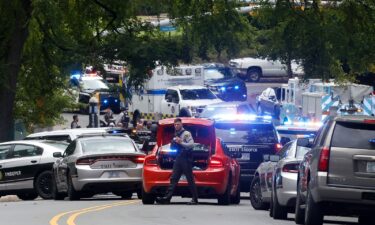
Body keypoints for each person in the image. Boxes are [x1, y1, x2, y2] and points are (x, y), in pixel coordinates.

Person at [156, 118, 198, 205]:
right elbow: (174, 147)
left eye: (178, 124)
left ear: (181, 124)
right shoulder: (175, 135)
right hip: (178, 158)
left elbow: (191, 145)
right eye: (175, 125)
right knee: (173, 179)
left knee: (190, 179)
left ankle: (195, 199)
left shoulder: (186, 134)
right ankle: (167, 198)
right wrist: (173, 144)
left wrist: (181, 142)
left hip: (186, 158)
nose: (176, 126)